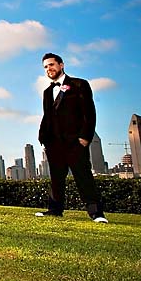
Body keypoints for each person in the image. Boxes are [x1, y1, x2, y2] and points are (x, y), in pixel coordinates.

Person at [36, 53, 108, 223]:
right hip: (54, 143)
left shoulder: (79, 84)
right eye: (45, 67)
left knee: (83, 177)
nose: (49, 69)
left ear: (61, 65)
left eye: (51, 65)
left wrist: (85, 137)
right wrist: (43, 137)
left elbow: (89, 112)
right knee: (56, 179)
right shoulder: (47, 92)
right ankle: (55, 210)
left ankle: (96, 214)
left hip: (75, 142)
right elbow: (48, 115)